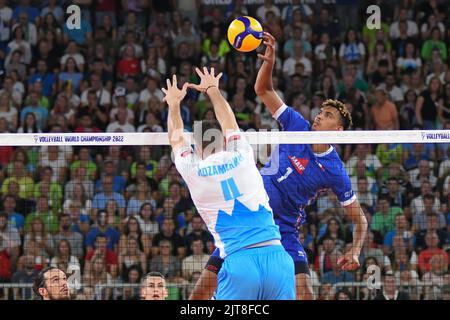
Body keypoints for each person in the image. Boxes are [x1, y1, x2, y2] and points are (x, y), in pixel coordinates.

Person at [192, 32, 367, 300]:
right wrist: (269, 63)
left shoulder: (335, 170)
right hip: (249, 218)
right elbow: (263, 90)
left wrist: (355, 250)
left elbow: (360, 220)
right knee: (201, 292)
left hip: (283, 229)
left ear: (339, 130)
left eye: (328, 115)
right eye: (321, 111)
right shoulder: (297, 126)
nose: (320, 115)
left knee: (305, 294)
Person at [166, 69, 295, 300]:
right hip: (278, 258)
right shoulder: (242, 153)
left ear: (196, 147)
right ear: (223, 141)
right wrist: (213, 90)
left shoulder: (193, 170)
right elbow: (228, 121)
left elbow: (175, 137)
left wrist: (174, 104)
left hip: (240, 264)